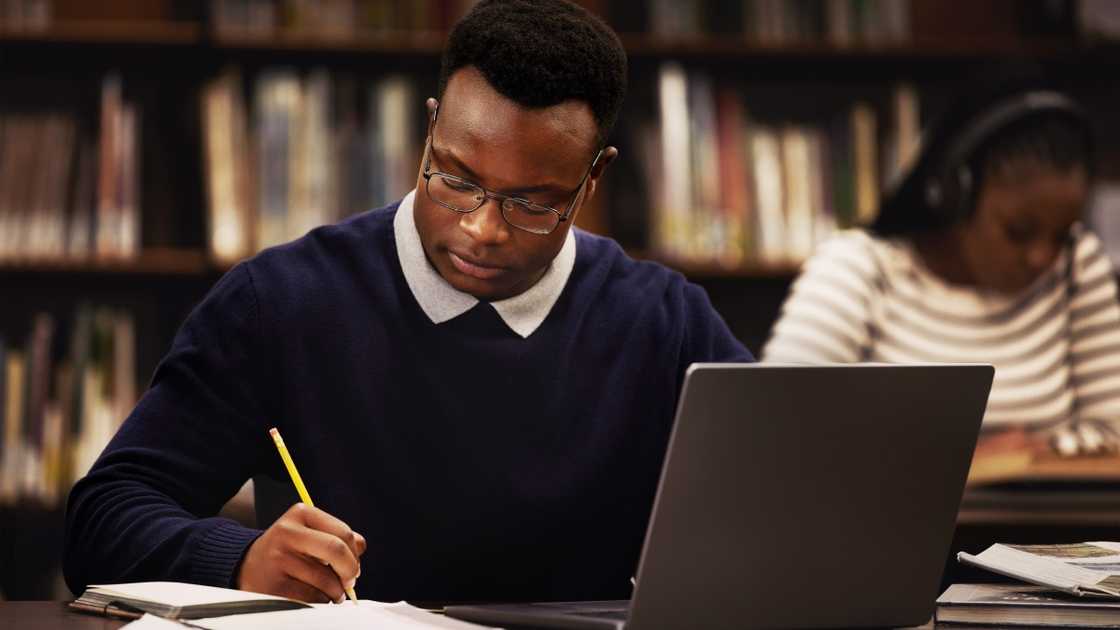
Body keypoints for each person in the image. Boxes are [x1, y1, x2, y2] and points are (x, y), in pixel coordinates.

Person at [63, 0, 752, 605]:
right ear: (430, 129)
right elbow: (102, 519)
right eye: (455, 177)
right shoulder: (281, 301)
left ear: (593, 177)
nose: (482, 228)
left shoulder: (664, 322)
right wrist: (237, 559)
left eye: (531, 203)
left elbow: (783, 514)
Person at [763, 68, 1120, 453]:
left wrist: (1040, 451)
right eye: (1018, 232)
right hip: (891, 512)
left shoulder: (1077, 265)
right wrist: (969, 460)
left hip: (1054, 513)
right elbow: (776, 424)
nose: (1042, 256)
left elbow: (1113, 432)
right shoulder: (860, 268)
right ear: (953, 197)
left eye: (1061, 235)